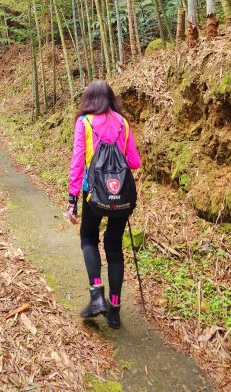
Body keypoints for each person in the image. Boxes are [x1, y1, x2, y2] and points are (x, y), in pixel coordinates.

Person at [66, 79, 141, 328]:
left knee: (88, 238)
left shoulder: (84, 123)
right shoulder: (123, 123)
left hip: (93, 194)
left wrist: (72, 199)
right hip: (120, 196)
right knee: (114, 247)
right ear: (111, 99)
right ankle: (115, 310)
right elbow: (134, 162)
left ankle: (97, 294)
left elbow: (78, 161)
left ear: (89, 99)